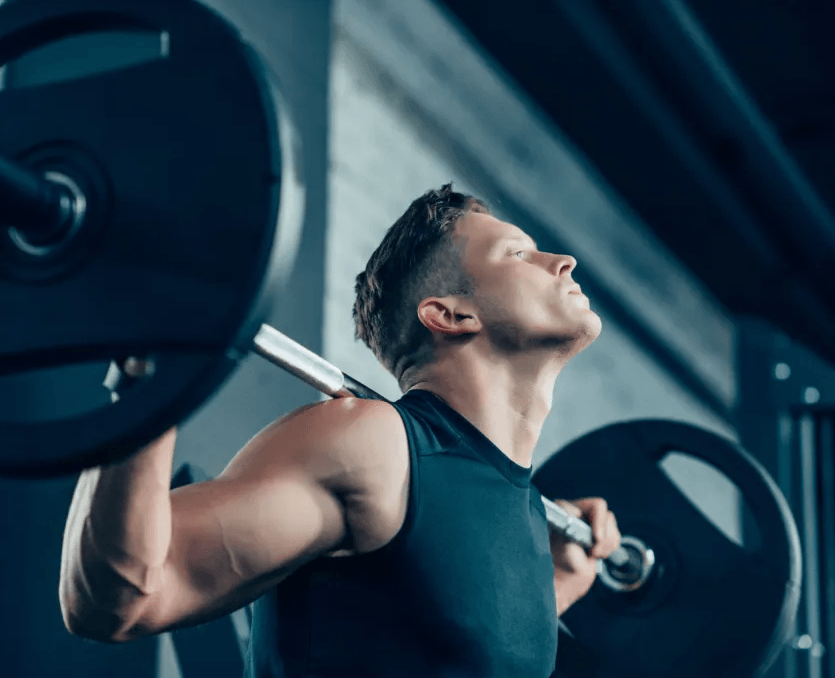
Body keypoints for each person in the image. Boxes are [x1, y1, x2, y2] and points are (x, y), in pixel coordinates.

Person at [59, 184, 622, 677]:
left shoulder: (525, 514)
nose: (564, 261)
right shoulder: (376, 450)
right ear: (450, 315)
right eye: (518, 254)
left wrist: (555, 584)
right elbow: (120, 598)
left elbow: (446, 645)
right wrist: (144, 377)